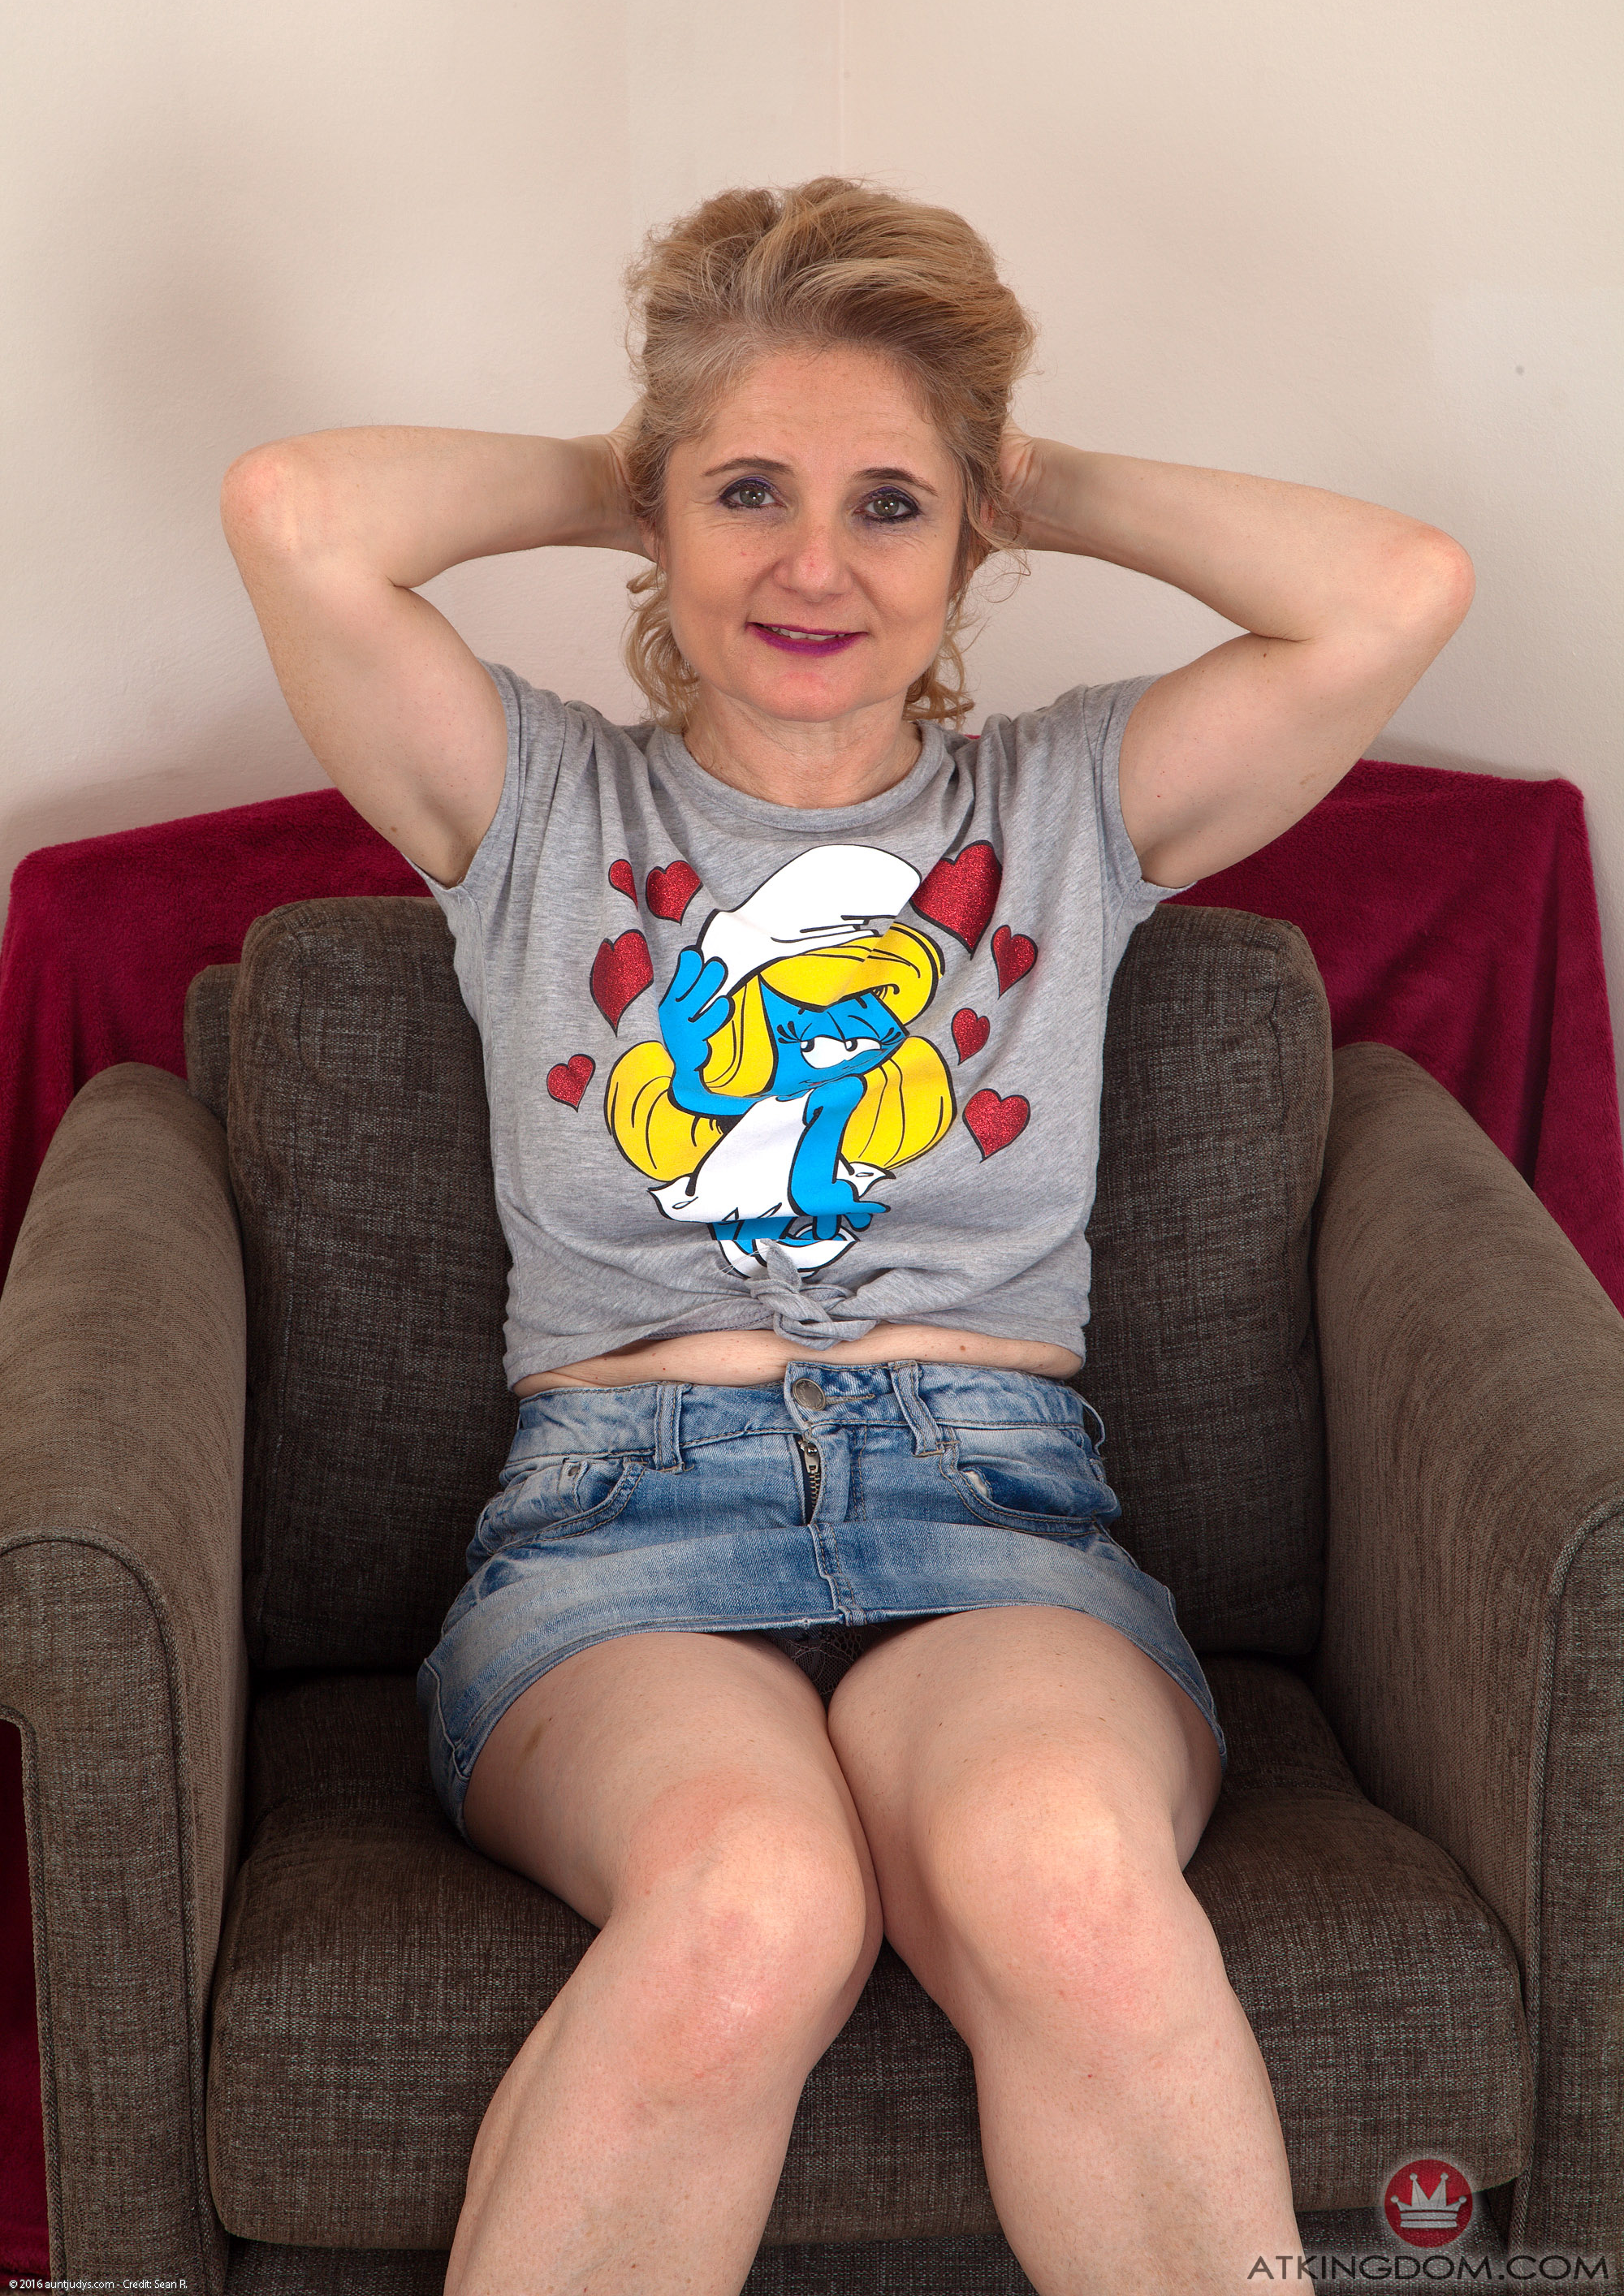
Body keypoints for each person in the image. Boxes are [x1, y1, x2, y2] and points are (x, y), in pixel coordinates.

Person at [220, 178, 1472, 2296]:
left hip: (998, 1517)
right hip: (620, 1536)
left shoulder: (1063, 812)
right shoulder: (535, 809)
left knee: (1066, 1881)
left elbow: (1396, 588)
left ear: (970, 535)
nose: (815, 565)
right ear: (664, 517)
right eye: (748, 495)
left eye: (890, 506)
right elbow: (292, 512)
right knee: (752, 1907)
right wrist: (635, 458)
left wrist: (1012, 473)